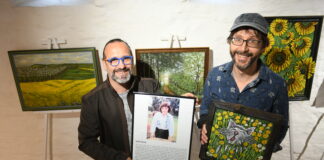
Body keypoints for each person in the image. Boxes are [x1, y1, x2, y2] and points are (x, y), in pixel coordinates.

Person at [198, 13, 289, 152]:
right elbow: (205, 110)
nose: (243, 48)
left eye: (252, 41)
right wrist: (204, 124)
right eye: (238, 39)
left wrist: (262, 148)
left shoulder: (277, 84)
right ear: (230, 42)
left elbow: (280, 127)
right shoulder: (214, 75)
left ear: (264, 46)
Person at [78, 38, 160, 160]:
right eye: (114, 60)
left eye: (126, 59)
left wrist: (183, 103)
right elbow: (87, 142)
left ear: (132, 61)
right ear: (104, 64)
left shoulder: (150, 86)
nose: (121, 66)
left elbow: (164, 111)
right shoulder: (92, 99)